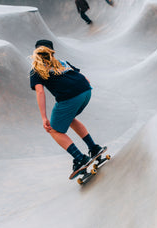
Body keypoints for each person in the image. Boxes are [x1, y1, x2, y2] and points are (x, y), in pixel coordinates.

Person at [30, 40, 104, 179]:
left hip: (70, 97)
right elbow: (86, 79)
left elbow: (40, 92)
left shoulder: (37, 69)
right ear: (52, 51)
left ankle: (80, 158)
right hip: (86, 91)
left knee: (53, 129)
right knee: (70, 119)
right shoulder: (62, 62)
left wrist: (44, 117)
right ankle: (94, 148)